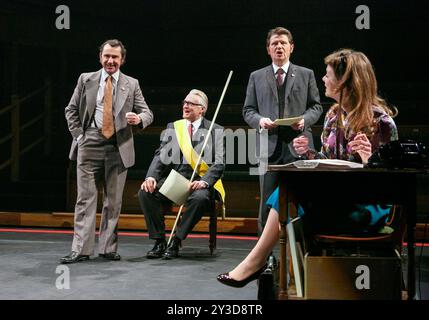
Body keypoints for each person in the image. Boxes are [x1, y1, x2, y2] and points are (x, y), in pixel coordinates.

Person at [217, 48, 398, 287]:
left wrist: (369, 159)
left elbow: (392, 181)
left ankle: (257, 262)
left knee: (291, 195)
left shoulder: (381, 122)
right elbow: (330, 160)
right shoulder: (334, 117)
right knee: (288, 188)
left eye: (328, 74)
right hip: (334, 200)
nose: (323, 78)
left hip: (364, 208)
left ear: (344, 82)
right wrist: (309, 153)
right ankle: (282, 272)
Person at [62, 39, 154, 264]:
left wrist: (139, 118)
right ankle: (81, 249)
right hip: (89, 142)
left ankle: (108, 248)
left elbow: (147, 112)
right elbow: (71, 109)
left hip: (118, 145)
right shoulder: (86, 79)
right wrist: (79, 136)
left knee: (113, 201)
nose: (110, 61)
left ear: (122, 60)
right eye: (107, 56)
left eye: (115, 57)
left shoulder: (132, 83)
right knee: (85, 199)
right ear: (100, 57)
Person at [243, 27, 323, 233]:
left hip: (300, 146)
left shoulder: (306, 74)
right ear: (268, 49)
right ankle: (266, 258)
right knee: (266, 205)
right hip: (268, 148)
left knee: (304, 200)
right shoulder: (256, 76)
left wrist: (304, 121)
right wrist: (260, 121)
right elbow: (248, 110)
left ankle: (305, 252)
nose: (279, 47)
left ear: (291, 47)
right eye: (274, 44)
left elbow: (316, 107)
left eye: (283, 43)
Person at [138, 89, 225, 259]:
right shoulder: (174, 127)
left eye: (191, 103)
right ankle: (159, 241)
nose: (186, 106)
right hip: (177, 181)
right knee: (145, 192)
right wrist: (151, 177)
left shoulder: (216, 129)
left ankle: (176, 241)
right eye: (185, 102)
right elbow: (161, 156)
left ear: (202, 109)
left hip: (201, 183)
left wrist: (205, 182)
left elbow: (219, 163)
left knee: (200, 198)